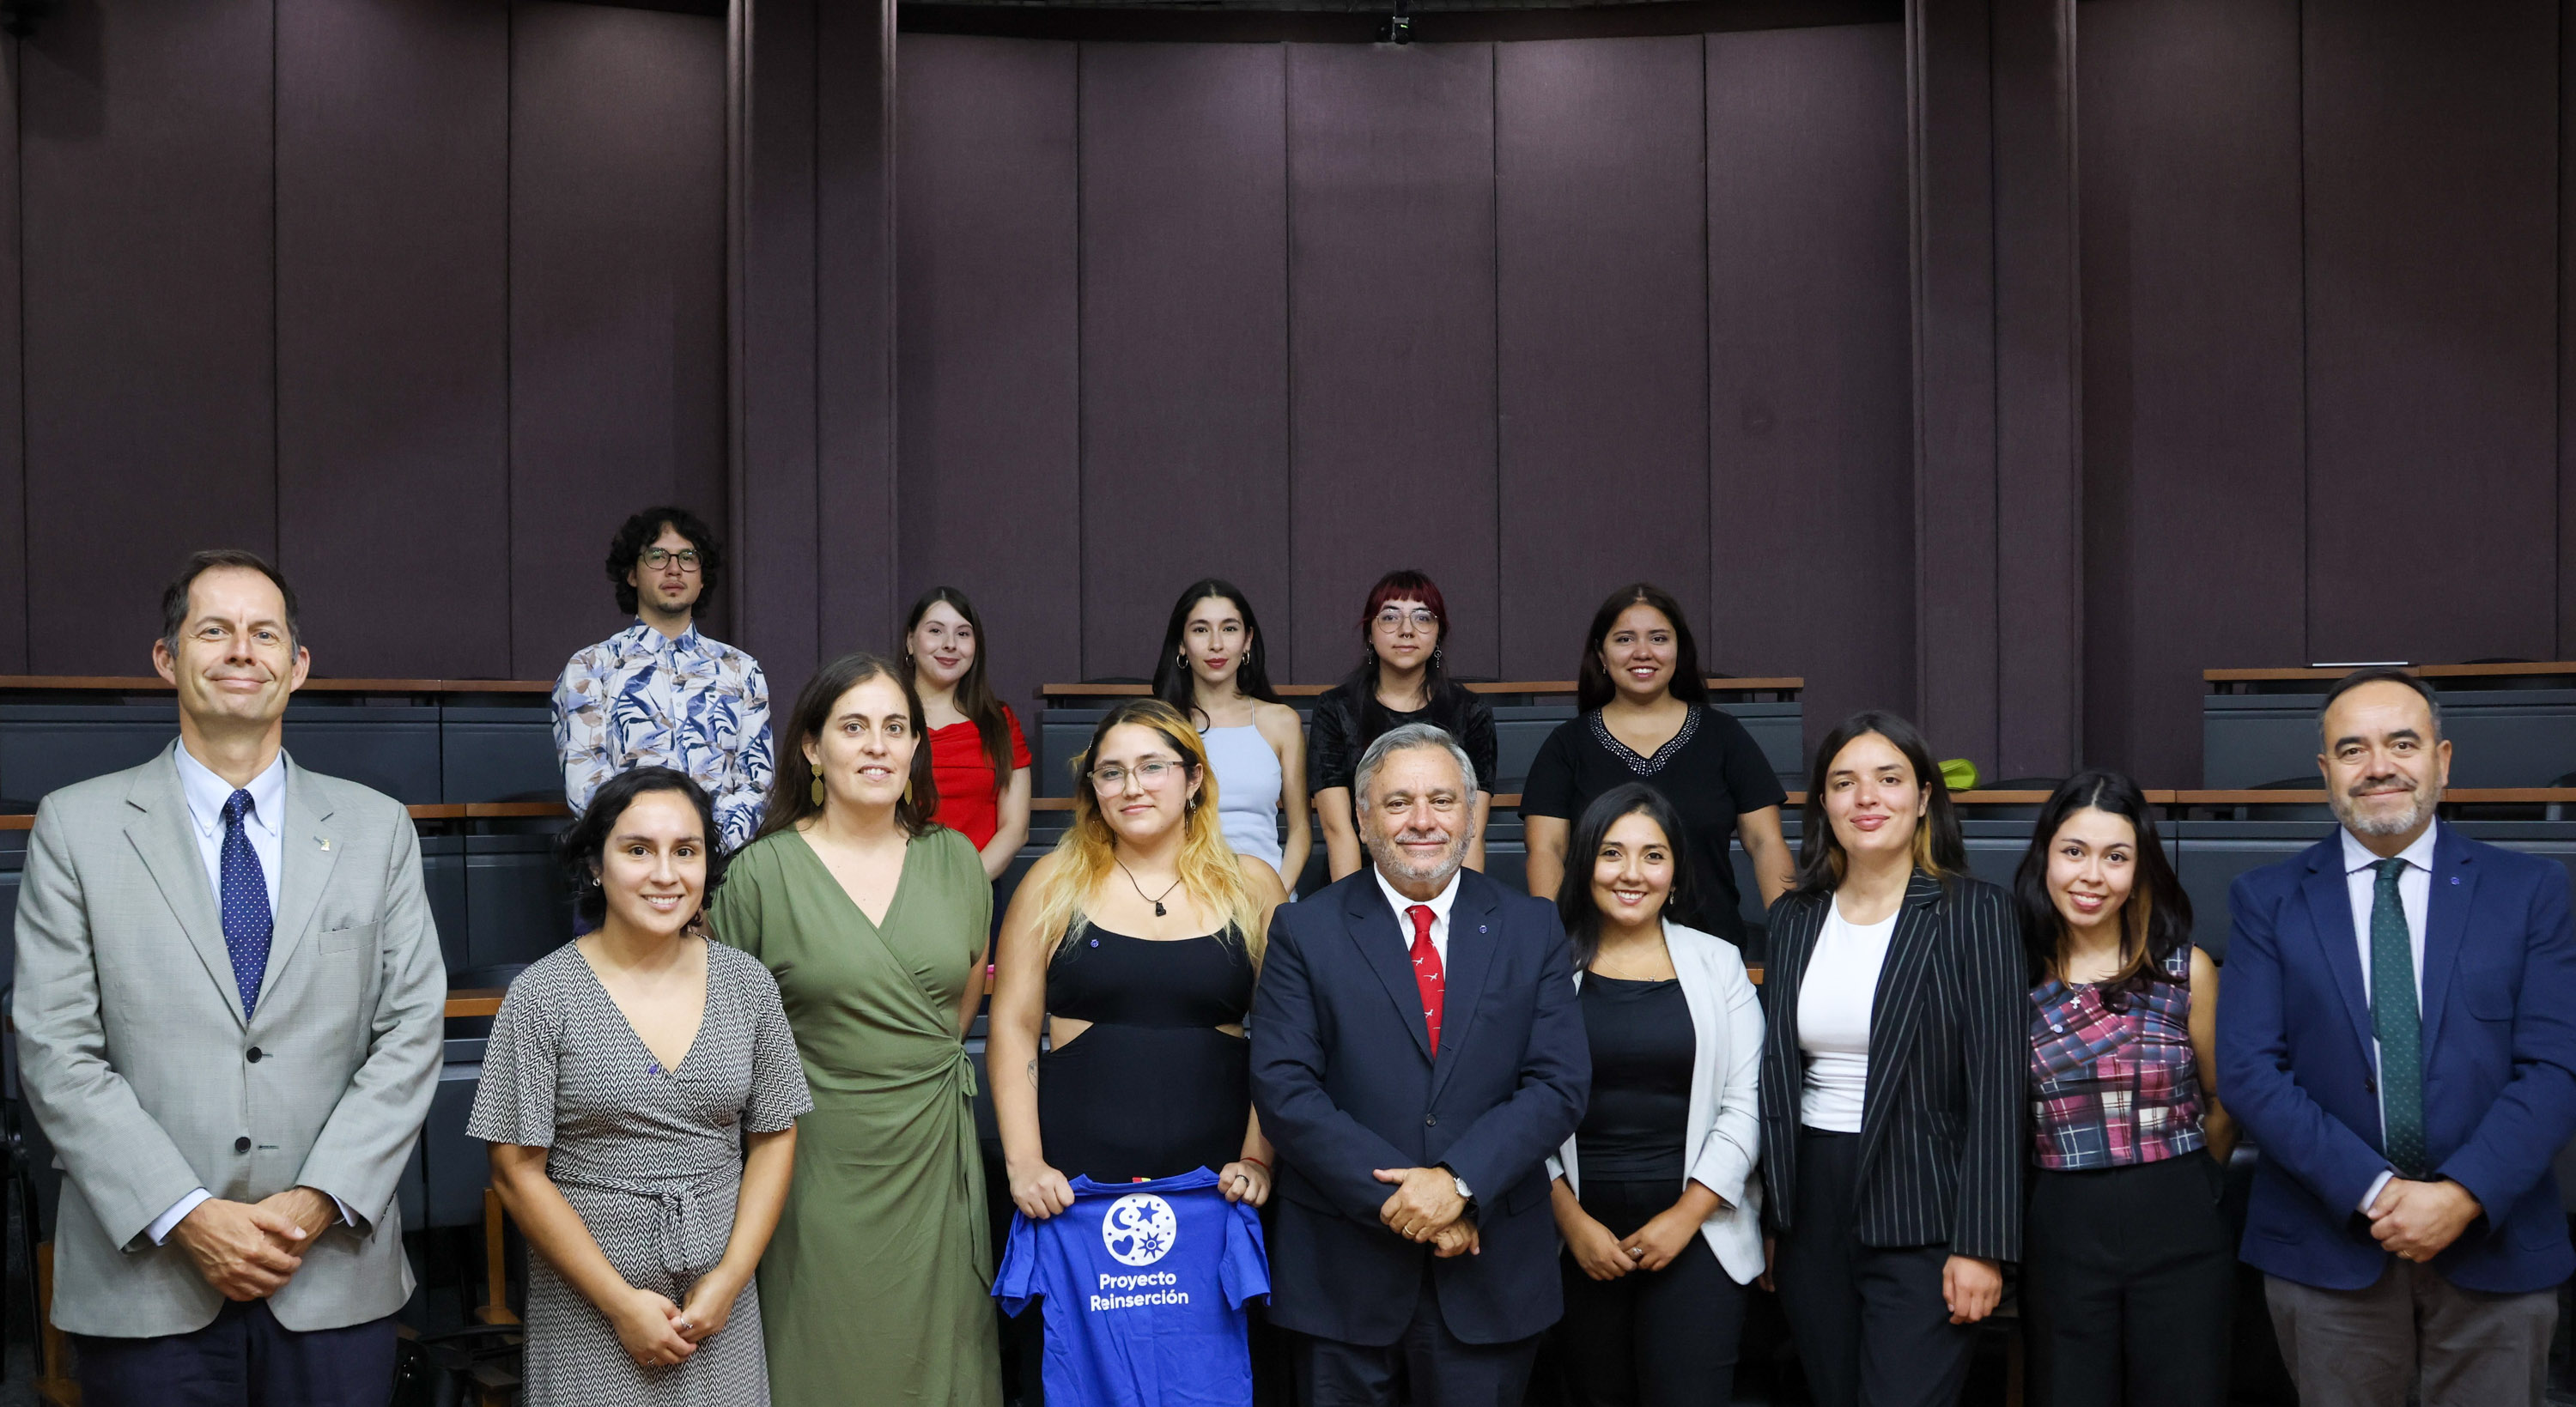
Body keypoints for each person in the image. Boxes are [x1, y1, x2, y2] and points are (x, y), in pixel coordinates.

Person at [11, 549, 446, 1404]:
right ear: (166, 657)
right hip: (148, 1278)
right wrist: (187, 1213)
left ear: (298, 664)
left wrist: (315, 1201)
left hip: (330, 1270)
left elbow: (410, 1033)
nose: (242, 650)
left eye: (264, 633)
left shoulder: (378, 829)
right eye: (214, 630)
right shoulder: (76, 826)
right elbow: (56, 1049)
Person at [2219, 668, 2576, 1407]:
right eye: (2353, 749)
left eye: (2402, 743)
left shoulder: (2532, 891)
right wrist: (2378, 1192)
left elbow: (2556, 1066)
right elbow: (2250, 1072)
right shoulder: (2266, 899)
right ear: (2327, 770)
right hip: (2328, 1251)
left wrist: (2461, 1194)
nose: (2378, 765)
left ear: (2442, 760)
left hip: (2497, 1246)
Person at [1250, 723, 1589, 1406]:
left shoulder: (1532, 927)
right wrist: (1414, 1203)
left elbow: (1558, 1084)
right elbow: (1285, 1090)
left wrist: (1460, 1183)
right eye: (1398, 802)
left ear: (1471, 813)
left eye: (1442, 799)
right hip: (1342, 1277)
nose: (1423, 820)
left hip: (1490, 1274)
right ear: (1362, 817)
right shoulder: (1304, 929)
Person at [708, 653, 1002, 1407]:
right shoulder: (760, 874)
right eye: (854, 727)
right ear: (812, 746)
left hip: (934, 1159)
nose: (877, 745)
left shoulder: (958, 861)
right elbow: (725, 1042)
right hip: (810, 1163)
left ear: (915, 747)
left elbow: (958, 1009)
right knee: (823, 1360)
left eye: (896, 727)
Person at [472, 767, 810, 1403]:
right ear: (596, 865)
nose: (665, 873)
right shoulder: (542, 994)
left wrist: (730, 1279)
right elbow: (515, 1170)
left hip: (718, 1310)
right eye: (637, 850)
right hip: (589, 1312)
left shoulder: (748, 984)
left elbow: (774, 1137)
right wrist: (620, 1302)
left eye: (685, 851)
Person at [989, 697, 1286, 1403]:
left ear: (1194, 778)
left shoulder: (1253, 884)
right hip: (1075, 1190)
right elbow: (1012, 1027)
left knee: (1215, 1376)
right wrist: (1025, 1161)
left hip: (1217, 1187)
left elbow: (1287, 1035)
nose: (1133, 786)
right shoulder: (1052, 881)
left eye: (1153, 766)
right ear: (1093, 787)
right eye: (1112, 771)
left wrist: (1257, 1158)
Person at [1756, 710, 2021, 1407]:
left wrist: (1982, 1242)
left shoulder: (1976, 912)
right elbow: (1777, 1077)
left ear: (1925, 796)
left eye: (1889, 778)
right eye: (1844, 782)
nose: (1866, 797)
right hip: (1811, 1205)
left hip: (1926, 1206)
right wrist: (1776, 1214)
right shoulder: (1793, 918)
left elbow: (1998, 1089)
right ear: (1823, 802)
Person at [2013, 770, 2235, 1407]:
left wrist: (2193, 1187)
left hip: (2181, 1224)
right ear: (2045, 857)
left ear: (2139, 871)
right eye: (2074, 851)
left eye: (2115, 857)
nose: (2092, 876)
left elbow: (2221, 1104)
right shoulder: (2012, 975)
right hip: (2060, 1228)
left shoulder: (2185, 971)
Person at [1546, 784, 1764, 1407]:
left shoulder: (1719, 962)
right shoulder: (1545, 965)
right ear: (1585, 862)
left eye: (1653, 855)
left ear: (1675, 870)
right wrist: (1570, 1220)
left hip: (1700, 1233)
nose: (1632, 874)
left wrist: (1685, 1216)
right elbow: (1516, 1099)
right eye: (1612, 853)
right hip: (1574, 1238)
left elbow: (1747, 1101)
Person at [1521, 583, 1794, 948]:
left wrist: (1791, 935)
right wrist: (1555, 946)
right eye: (1625, 639)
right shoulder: (1566, 745)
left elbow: (1766, 842)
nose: (1643, 652)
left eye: (1659, 638)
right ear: (1601, 655)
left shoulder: (1724, 736)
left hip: (1711, 948)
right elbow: (1546, 850)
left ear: (1679, 651)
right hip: (1597, 954)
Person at [554, 506, 774, 851]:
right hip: (630, 861)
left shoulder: (741, 669)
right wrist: (658, 849)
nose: (674, 568)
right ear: (631, 574)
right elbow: (586, 786)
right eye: (657, 556)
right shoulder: (590, 667)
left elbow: (757, 784)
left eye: (688, 557)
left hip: (724, 863)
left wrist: (701, 850)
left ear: (702, 577)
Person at [1309, 571, 1498, 882]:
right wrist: (1351, 907)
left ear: (1438, 633)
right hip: (1360, 878)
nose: (1406, 630)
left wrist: (1464, 905)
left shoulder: (1471, 711)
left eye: (1422, 618)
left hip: (1445, 878)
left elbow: (1471, 830)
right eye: (1390, 617)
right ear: (1370, 634)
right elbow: (1338, 830)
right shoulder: (1335, 709)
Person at [1152, 578, 1309, 891]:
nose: (1216, 644)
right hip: (1180, 896)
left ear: (1247, 640)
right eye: (1200, 630)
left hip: (1266, 895)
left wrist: (1276, 898)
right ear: (1181, 643)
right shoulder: (1158, 725)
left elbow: (1301, 830)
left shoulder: (1281, 722)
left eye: (1229, 628)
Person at [902, 585, 1033, 881]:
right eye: (936, 631)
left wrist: (964, 887)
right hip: (892, 889)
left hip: (976, 885)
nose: (950, 644)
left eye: (963, 633)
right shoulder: (884, 719)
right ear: (910, 641)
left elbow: (1015, 828)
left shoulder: (999, 722)